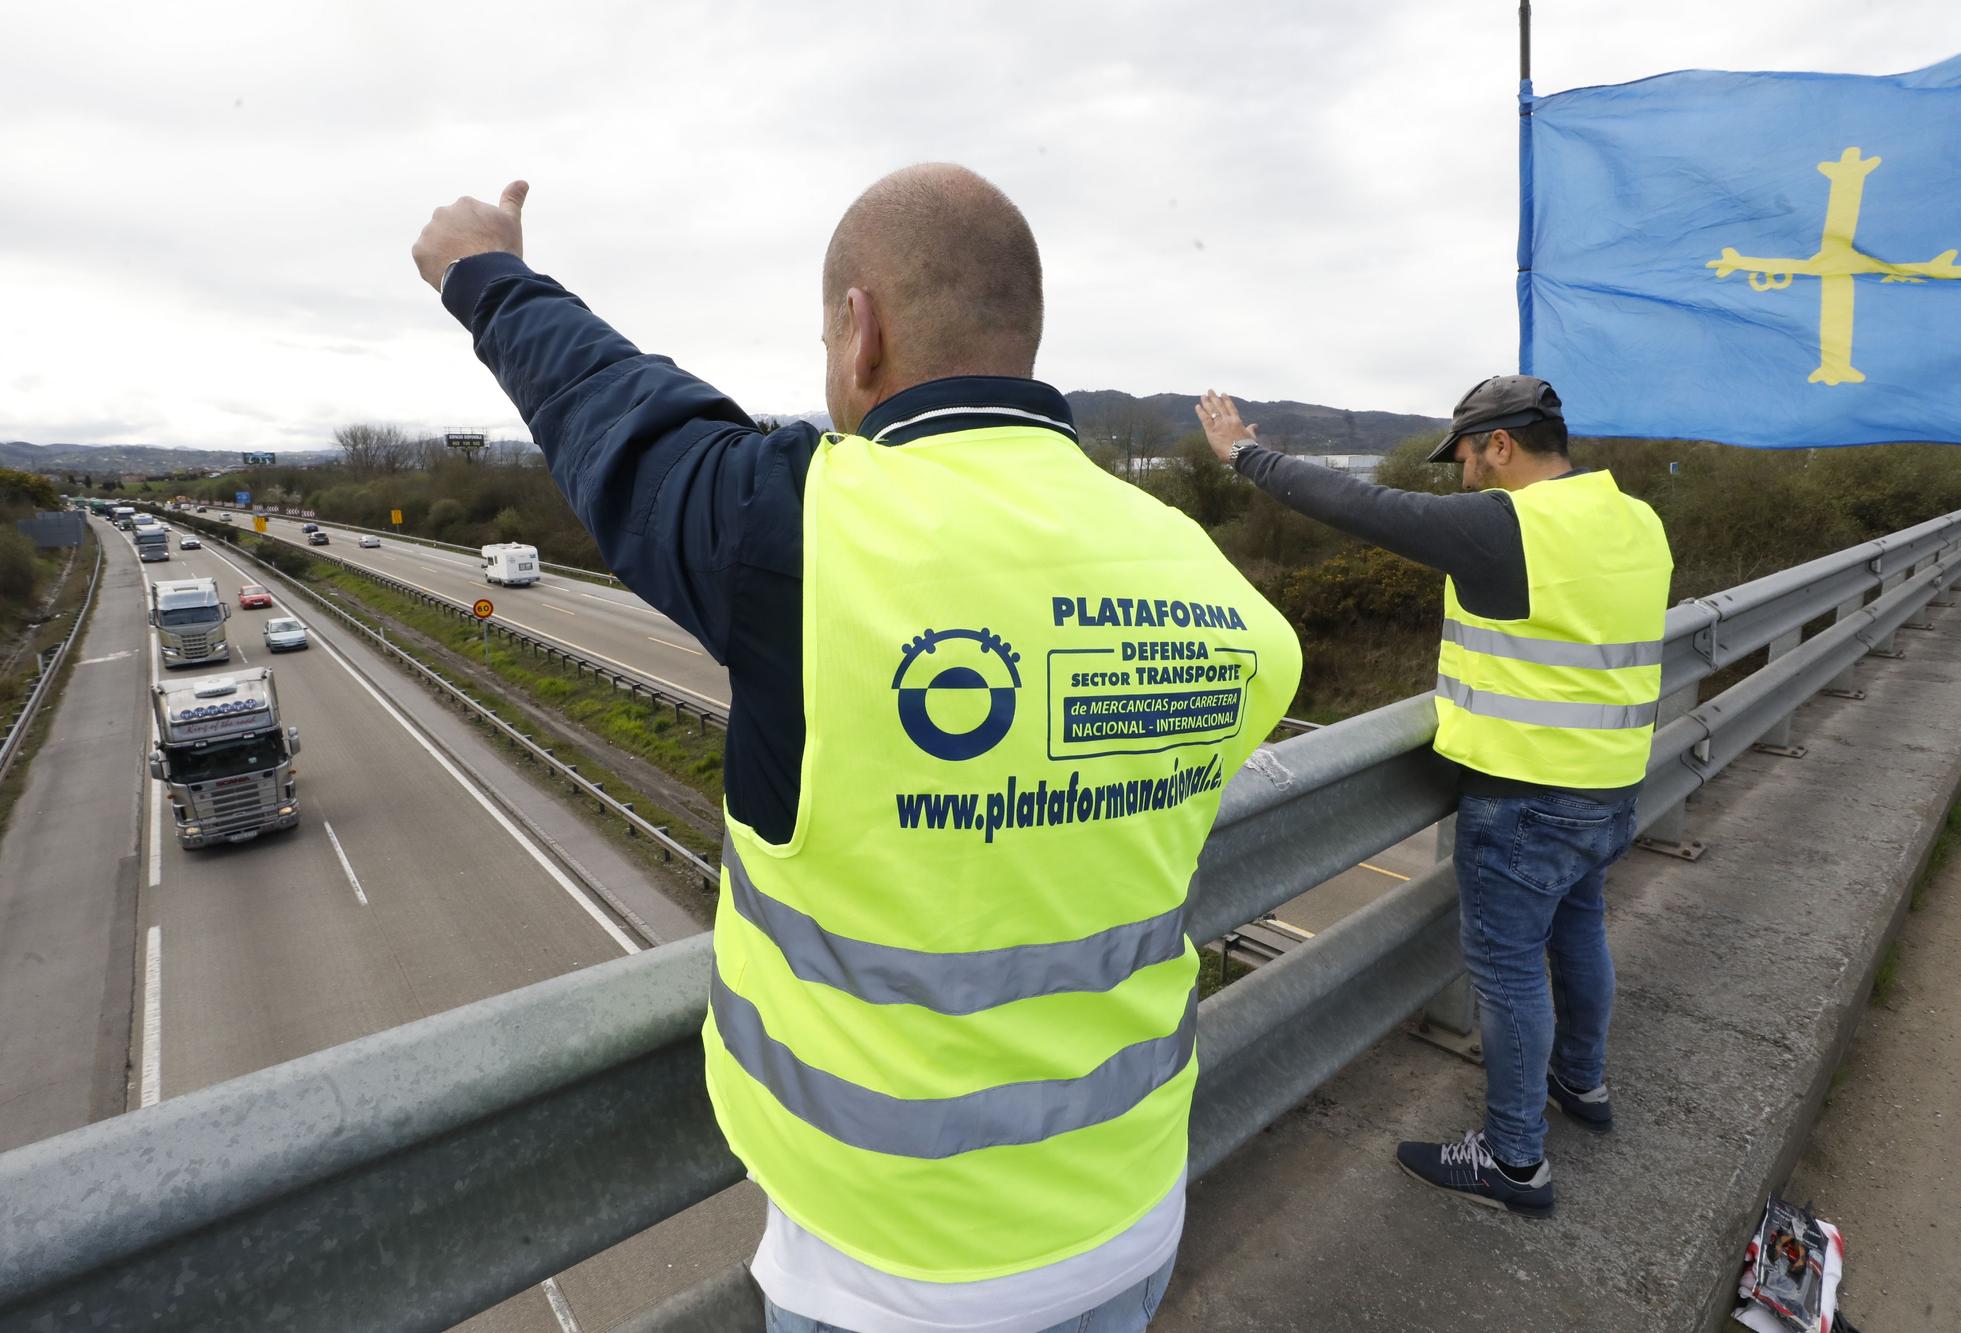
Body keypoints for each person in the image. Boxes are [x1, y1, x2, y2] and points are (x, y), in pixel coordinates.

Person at [413, 168, 1300, 1331]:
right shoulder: (1204, 580)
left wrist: (488, 275)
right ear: (1022, 336)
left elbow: (623, 419)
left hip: (888, 1275)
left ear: (858, 327)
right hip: (1126, 1220)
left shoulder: (800, 527)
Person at [1195, 377, 1671, 1219]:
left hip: (1525, 793)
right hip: (1611, 783)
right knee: (1580, 928)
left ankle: (1515, 1161)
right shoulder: (1635, 518)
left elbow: (1357, 504)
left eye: (1462, 456)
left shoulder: (1509, 527)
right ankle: (1582, 1084)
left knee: (1511, 968)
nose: (1459, 476)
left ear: (1500, 444)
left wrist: (1244, 454)